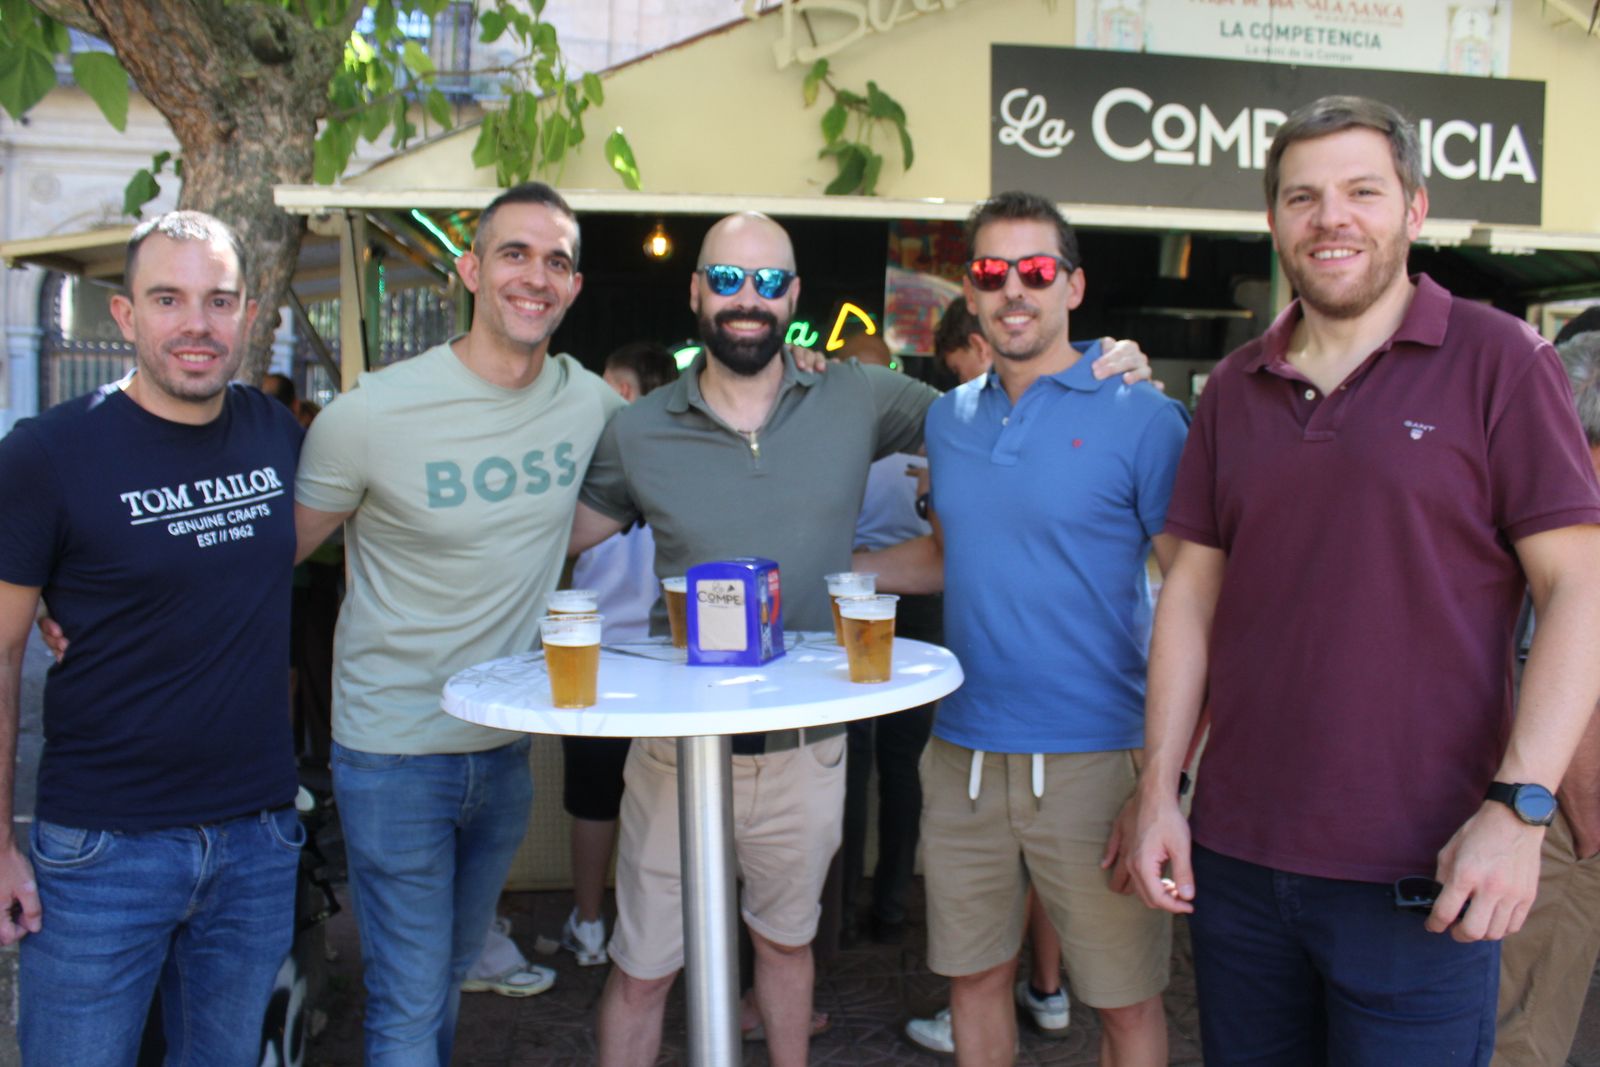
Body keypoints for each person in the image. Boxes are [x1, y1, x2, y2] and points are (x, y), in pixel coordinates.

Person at [572, 211, 1155, 1067]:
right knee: (643, 968)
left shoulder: (857, 395)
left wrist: (1110, 370)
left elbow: (998, 411)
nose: (748, 299)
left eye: (769, 282)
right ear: (696, 291)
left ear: (794, 297)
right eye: (727, 279)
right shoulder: (638, 428)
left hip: (809, 749)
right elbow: (556, 533)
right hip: (674, 750)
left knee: (786, 948)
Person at [1126, 95, 1600, 1066]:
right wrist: (1162, 788)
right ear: (1273, 223)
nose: (1329, 218)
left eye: (1360, 192)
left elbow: (1580, 590)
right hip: (1240, 862)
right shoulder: (1235, 387)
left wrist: (1521, 809)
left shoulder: (1500, 360)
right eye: (1301, 197)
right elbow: (1189, 596)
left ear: (1413, 209)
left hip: (1425, 869)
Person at [292, 182, 622, 1063]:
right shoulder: (370, 413)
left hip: (502, 748)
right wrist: (93, 607)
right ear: (473, 269)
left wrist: (799, 377)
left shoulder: (587, 403)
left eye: (557, 260)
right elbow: (264, 560)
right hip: (392, 749)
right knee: (406, 998)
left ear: (574, 288)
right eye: (515, 252)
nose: (536, 275)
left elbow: (684, 439)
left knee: (440, 978)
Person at [864, 191, 1187, 1067]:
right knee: (972, 981)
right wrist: (833, 572)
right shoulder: (949, 417)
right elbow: (950, 553)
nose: (1014, 289)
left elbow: (1198, 589)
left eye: (1036, 270)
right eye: (991, 271)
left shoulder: (1141, 413)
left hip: (1094, 760)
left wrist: (1168, 775)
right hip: (961, 753)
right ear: (967, 292)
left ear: (1073, 286)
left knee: (1123, 1001)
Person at [0, 211, 304, 1066]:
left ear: (248, 314)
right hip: (103, 849)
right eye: (168, 299)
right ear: (126, 316)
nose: (197, 324)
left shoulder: (278, 436)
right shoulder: (47, 455)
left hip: (255, 838)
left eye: (218, 300)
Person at [1493, 329, 1600, 1066]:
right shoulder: (1574, 493)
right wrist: (1587, 807)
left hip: (1538, 793)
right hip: (1558, 803)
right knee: (1522, 1032)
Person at [559, 340, 680, 968]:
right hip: (665, 662)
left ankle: (589, 924)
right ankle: (651, 931)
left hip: (598, 658)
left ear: (624, 392)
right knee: (660, 806)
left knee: (594, 801)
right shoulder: (685, 460)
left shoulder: (590, 462)